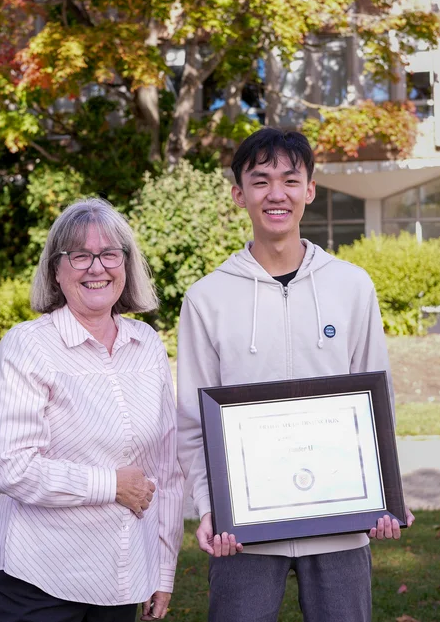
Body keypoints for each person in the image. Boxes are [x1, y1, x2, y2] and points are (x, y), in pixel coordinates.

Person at [176, 128, 412, 622]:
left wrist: (388, 494)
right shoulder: (207, 298)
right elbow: (192, 422)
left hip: (339, 525)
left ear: (310, 190)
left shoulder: (351, 286)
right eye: (260, 181)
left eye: (290, 179)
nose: (276, 193)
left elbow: (377, 399)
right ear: (239, 193)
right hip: (243, 534)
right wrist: (208, 505)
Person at [0, 198, 183, 622]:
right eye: (80, 255)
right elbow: (13, 467)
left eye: (110, 253)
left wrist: (162, 570)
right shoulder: (27, 346)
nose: (97, 267)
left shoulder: (146, 344)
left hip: (120, 579)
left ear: (125, 264)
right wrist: (110, 484)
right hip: (38, 578)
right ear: (56, 270)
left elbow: (165, 471)